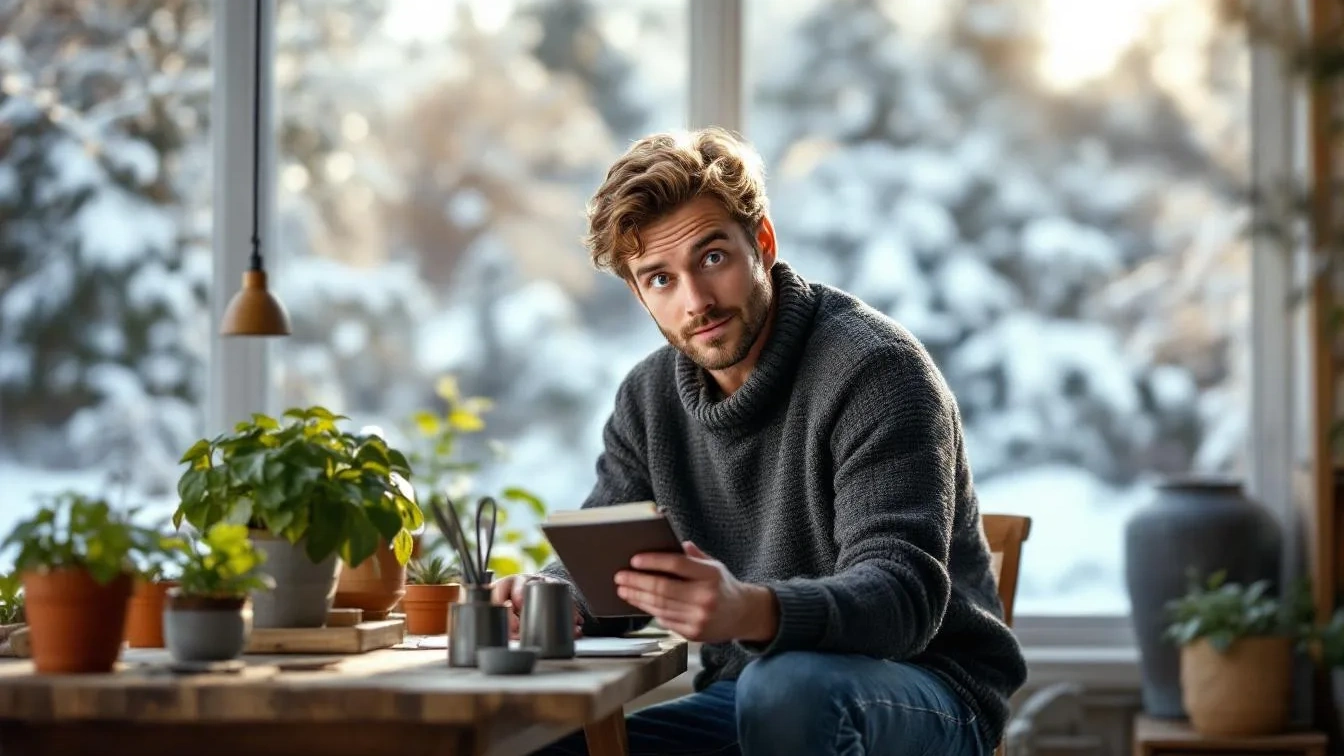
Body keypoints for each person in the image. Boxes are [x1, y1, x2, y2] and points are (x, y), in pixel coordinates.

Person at [491, 127, 1028, 756]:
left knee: (788, 687)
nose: (696, 301)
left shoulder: (877, 370)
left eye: (712, 257)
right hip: (750, 697)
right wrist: (554, 597)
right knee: (537, 745)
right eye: (660, 279)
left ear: (763, 243)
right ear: (639, 294)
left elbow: (903, 601)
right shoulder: (649, 399)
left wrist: (748, 609)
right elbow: (613, 571)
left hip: (927, 695)